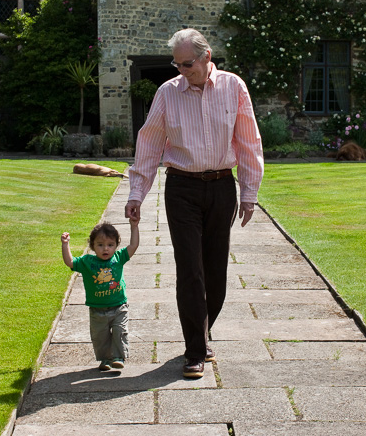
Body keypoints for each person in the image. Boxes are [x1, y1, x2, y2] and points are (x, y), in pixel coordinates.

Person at [125, 28, 263, 379]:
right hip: (182, 188)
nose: (182, 71)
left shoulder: (234, 87)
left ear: (206, 57)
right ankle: (194, 351)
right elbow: (150, 143)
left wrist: (249, 193)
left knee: (216, 272)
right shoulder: (168, 93)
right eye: (177, 64)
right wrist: (136, 194)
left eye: (187, 64)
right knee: (190, 269)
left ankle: (202, 332)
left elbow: (248, 141)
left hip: (221, 188)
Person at [61, 220, 139, 371]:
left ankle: (118, 357)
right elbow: (70, 262)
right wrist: (65, 244)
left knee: (119, 331)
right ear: (92, 246)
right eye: (100, 245)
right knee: (100, 337)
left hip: (118, 306)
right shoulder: (87, 262)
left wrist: (134, 227)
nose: (106, 249)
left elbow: (133, 246)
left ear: (116, 245)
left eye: (110, 245)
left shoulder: (119, 257)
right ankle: (105, 359)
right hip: (97, 310)